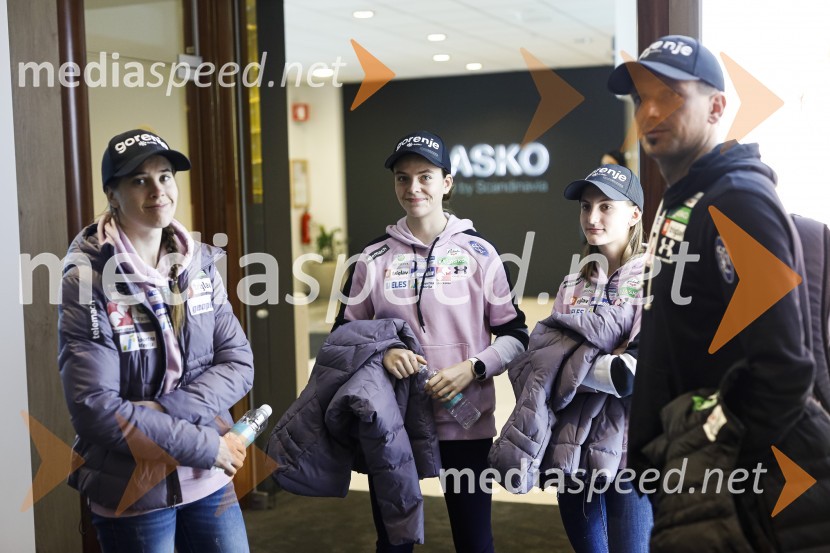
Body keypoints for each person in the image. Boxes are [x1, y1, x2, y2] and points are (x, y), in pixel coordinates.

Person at [608, 35, 830, 550]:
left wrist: (720, 466)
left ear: (716, 107)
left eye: (671, 95)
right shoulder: (684, 198)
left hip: (729, 491)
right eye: (641, 97)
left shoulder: (737, 202)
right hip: (685, 475)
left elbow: (784, 368)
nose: (650, 111)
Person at [58, 129, 255, 552]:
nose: (157, 190)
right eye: (139, 180)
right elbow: (95, 408)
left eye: (165, 176)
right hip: (135, 487)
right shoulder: (87, 280)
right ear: (112, 194)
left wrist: (166, 411)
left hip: (208, 478)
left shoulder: (200, 263)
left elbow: (239, 363)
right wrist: (202, 444)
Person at [334, 130, 529, 552]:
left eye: (425, 176)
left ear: (446, 182)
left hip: (466, 420)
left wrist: (474, 368)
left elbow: (516, 335)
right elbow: (343, 337)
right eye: (402, 178)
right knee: (394, 541)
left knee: (474, 541)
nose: (413, 188)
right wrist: (385, 352)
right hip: (393, 420)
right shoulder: (371, 259)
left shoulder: (481, 253)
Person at [552, 164, 652, 552]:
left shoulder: (654, 278)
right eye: (585, 206)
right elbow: (542, 363)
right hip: (573, 449)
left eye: (606, 206)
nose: (592, 217)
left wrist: (573, 359)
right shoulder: (571, 284)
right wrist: (608, 357)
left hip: (630, 455)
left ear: (634, 214)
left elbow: (634, 375)